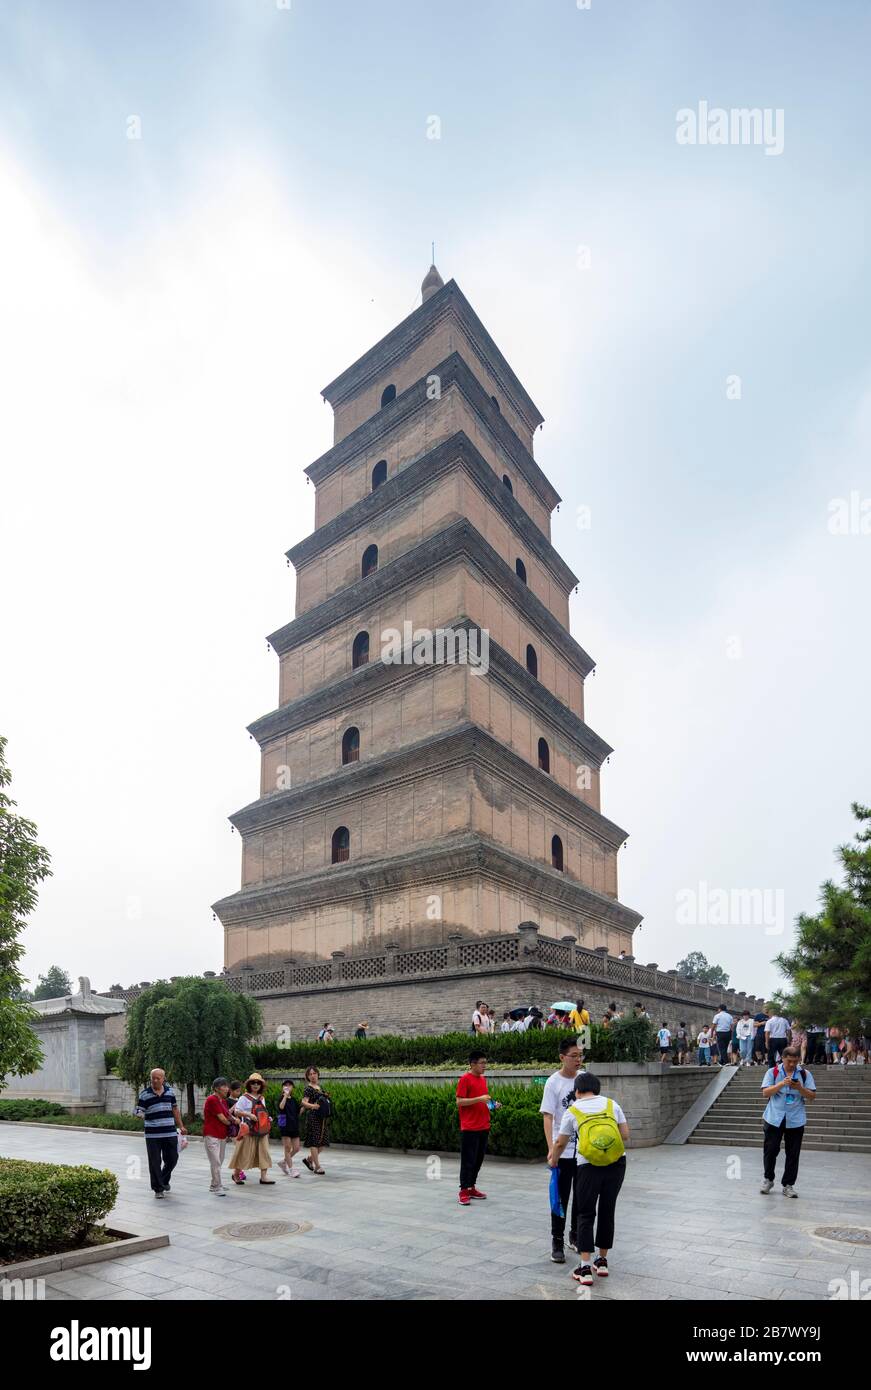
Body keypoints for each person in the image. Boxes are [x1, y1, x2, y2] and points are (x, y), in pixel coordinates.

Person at [550, 1072, 630, 1286]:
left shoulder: (573, 1110)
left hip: (588, 1166)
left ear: (577, 1091)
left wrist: (553, 1160)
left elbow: (560, 1143)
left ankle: (585, 1267)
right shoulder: (612, 1105)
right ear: (597, 1089)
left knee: (585, 1213)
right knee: (607, 1210)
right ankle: (601, 1262)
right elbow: (625, 1135)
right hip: (616, 1164)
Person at [539, 1037, 582, 1263]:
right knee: (560, 1198)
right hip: (562, 1151)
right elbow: (548, 1116)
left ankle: (575, 1235)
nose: (578, 1060)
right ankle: (557, 1241)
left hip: (583, 1151)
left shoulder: (584, 1079)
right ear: (562, 1057)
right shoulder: (553, 1083)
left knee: (582, 1197)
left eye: (580, 1056)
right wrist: (551, 1149)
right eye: (574, 1056)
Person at [760, 1045, 816, 1197]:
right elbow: (765, 1093)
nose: (792, 1064)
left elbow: (812, 1096)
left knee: (793, 1153)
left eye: (795, 1061)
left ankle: (788, 1185)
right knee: (770, 1151)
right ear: (783, 1058)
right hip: (774, 1118)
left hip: (795, 1119)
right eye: (789, 1061)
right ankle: (768, 1179)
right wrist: (781, 1084)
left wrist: (800, 1088)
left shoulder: (804, 1074)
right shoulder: (773, 1072)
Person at [455, 1049, 501, 1206]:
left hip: (483, 1126)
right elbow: (459, 1102)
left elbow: (484, 1100)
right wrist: (479, 1099)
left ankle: (471, 1187)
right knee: (468, 1160)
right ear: (472, 1064)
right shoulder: (465, 1080)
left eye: (485, 1063)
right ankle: (463, 1191)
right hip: (469, 1127)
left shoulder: (482, 1079)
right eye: (482, 1063)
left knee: (478, 1160)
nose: (484, 1066)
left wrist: (493, 1105)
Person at [137, 1067, 186, 1200]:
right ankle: (158, 1188)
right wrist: (139, 1114)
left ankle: (163, 1180)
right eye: (153, 1078)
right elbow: (139, 1110)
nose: (155, 1080)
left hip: (169, 1131)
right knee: (155, 1162)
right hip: (152, 1134)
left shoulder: (170, 1092)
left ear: (163, 1079)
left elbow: (175, 1109)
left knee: (172, 1159)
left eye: (158, 1078)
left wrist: (181, 1125)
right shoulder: (144, 1094)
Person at [229, 1073, 275, 1186]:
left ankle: (263, 1177)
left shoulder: (261, 1098)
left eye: (258, 1083)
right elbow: (237, 1111)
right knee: (244, 1153)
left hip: (261, 1129)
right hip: (248, 1130)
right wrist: (249, 1115)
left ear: (261, 1085)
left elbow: (263, 1111)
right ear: (249, 1084)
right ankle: (236, 1174)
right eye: (253, 1083)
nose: (255, 1085)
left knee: (264, 1152)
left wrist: (267, 1118)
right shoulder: (244, 1097)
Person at [202, 1077, 232, 1196]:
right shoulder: (212, 1099)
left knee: (219, 1160)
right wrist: (232, 1124)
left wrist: (236, 1120)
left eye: (226, 1086)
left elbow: (228, 1114)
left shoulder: (223, 1101)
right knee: (216, 1161)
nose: (226, 1088)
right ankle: (216, 1186)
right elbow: (223, 1118)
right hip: (211, 1134)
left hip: (221, 1135)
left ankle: (216, 1184)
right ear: (216, 1088)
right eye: (224, 1086)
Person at [301, 1065, 331, 1174]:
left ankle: (309, 1159)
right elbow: (303, 1102)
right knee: (314, 1142)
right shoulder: (308, 1089)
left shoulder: (319, 1087)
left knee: (322, 1143)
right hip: (313, 1117)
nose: (313, 1076)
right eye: (310, 1074)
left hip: (321, 1118)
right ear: (308, 1077)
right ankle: (317, 1167)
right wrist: (313, 1106)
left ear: (318, 1074)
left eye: (314, 1073)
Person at [276, 1079, 301, 1177]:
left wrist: (306, 1105)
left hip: (294, 1125)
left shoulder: (294, 1100)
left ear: (292, 1088)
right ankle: (291, 1169)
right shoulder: (281, 1098)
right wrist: (285, 1096)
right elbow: (281, 1107)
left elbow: (298, 1112)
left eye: (290, 1085)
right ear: (282, 1088)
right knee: (287, 1148)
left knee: (297, 1148)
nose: (287, 1086)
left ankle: (283, 1162)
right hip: (285, 1125)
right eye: (285, 1085)